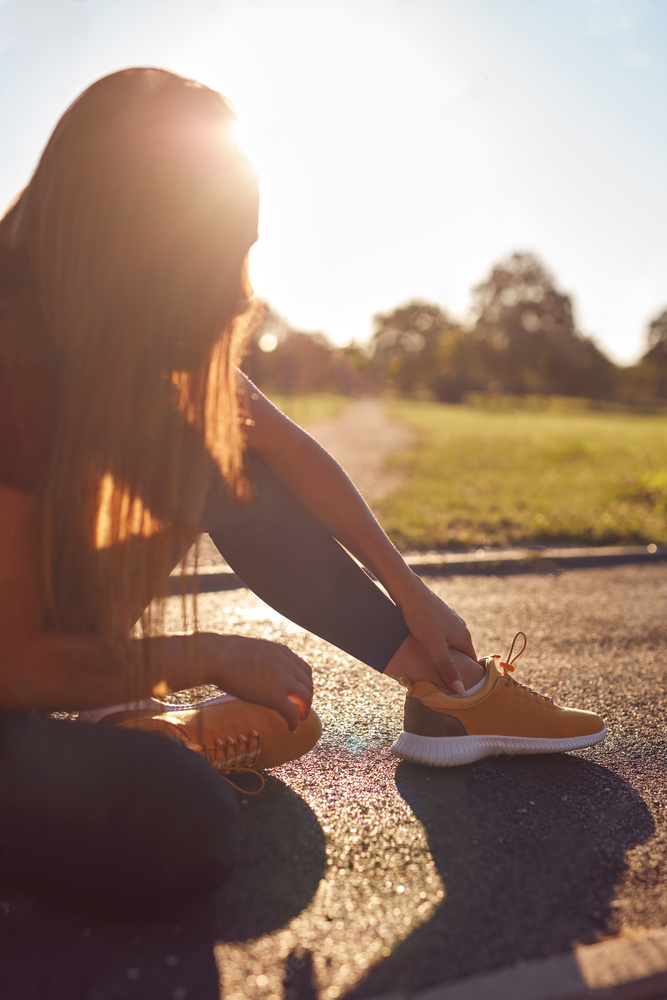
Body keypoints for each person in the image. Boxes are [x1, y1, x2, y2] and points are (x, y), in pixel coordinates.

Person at [0, 68, 605, 915]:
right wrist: (203, 654)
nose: (245, 288)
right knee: (179, 823)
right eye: (228, 248)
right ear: (138, 234)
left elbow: (284, 449)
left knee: (221, 464)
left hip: (28, 680)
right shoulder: (15, 356)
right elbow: (11, 661)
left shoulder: (129, 356)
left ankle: (448, 694)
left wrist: (411, 591)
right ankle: (133, 735)